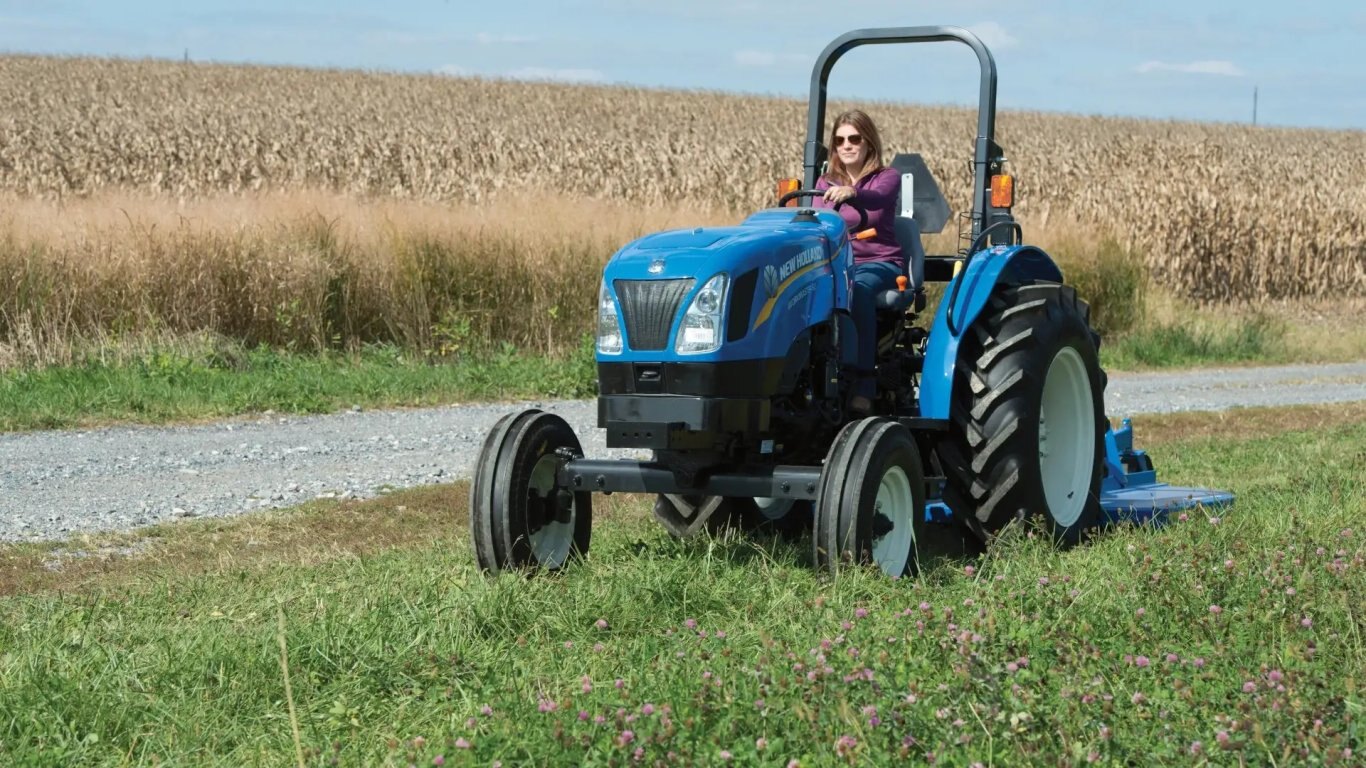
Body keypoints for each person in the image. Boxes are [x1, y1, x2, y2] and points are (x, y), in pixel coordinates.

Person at [814, 109, 905, 415]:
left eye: (854, 138)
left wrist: (852, 192)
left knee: (859, 289)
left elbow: (877, 198)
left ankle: (864, 380)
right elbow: (818, 219)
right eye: (840, 140)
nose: (847, 145)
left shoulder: (887, 178)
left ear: (868, 142)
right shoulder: (824, 183)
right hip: (836, 263)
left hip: (879, 263)